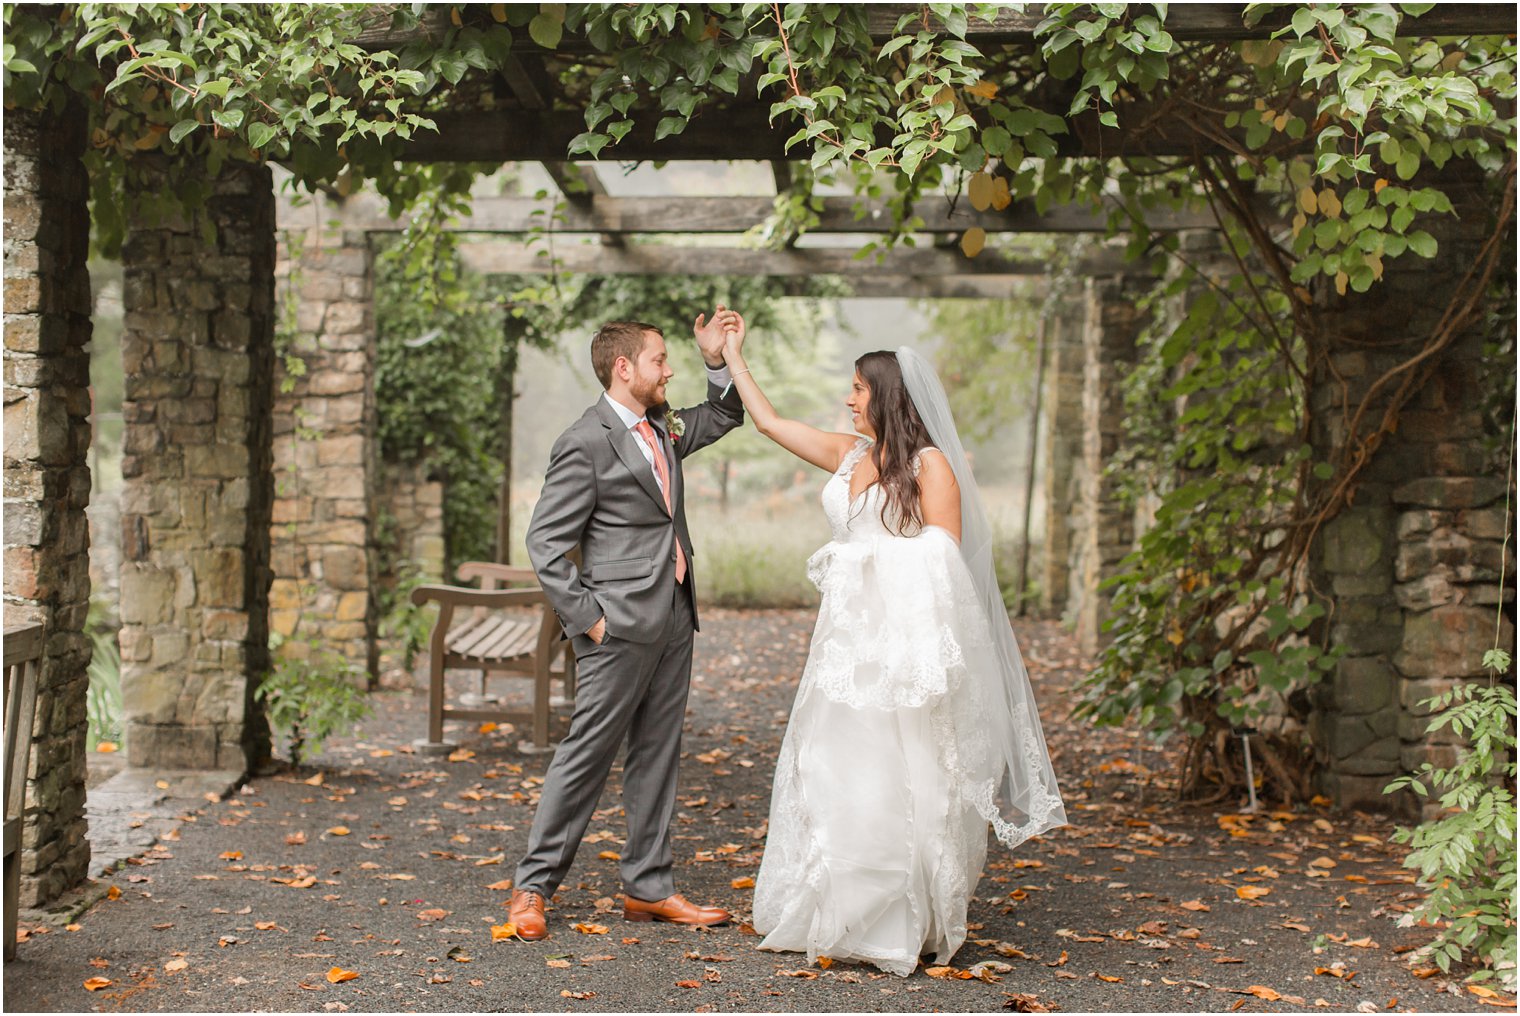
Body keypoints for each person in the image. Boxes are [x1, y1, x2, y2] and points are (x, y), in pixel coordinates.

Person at [719, 318, 1067, 977]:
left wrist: (872, 562)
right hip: (844, 648)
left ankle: (898, 920)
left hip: (902, 650)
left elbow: (946, 557)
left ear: (887, 394)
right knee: (830, 766)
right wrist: (734, 355)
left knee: (898, 775)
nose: (848, 400)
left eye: (857, 389)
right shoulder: (848, 455)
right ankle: (834, 912)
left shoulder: (930, 465)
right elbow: (767, 423)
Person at [508, 310, 745, 940]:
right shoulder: (584, 440)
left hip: (674, 614)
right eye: (660, 360)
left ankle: (649, 888)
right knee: (586, 755)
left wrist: (716, 360)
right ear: (624, 367)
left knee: (658, 756)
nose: (669, 369)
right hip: (615, 627)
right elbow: (545, 544)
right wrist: (589, 622)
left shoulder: (662, 426)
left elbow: (723, 414)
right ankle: (531, 889)